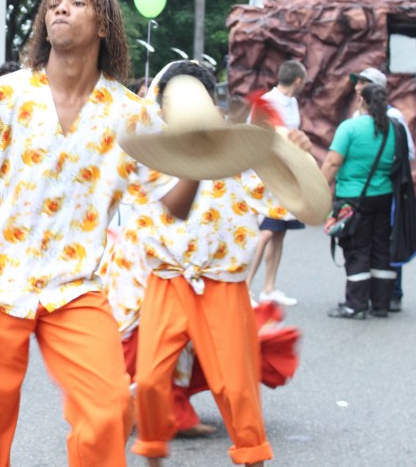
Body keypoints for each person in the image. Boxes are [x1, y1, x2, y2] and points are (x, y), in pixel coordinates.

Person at [0, 0, 199, 467]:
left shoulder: (129, 115)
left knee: (111, 408)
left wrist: (200, 165)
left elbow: (173, 203)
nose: (60, 9)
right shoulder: (6, 97)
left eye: (76, 1)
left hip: (75, 287)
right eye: (53, 3)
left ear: (104, 26)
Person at [129, 61, 308, 467]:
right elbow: (155, 212)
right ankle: (153, 458)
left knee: (236, 388)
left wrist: (298, 157)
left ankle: (251, 459)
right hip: (168, 278)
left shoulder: (240, 152)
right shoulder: (151, 149)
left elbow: (288, 197)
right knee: (153, 382)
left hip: (221, 282)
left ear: (211, 103)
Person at [321, 82, 397, 319]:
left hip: (353, 197)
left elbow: (333, 162)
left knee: (357, 249)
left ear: (361, 101)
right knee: (381, 248)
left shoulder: (350, 128)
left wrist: (319, 188)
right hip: (384, 195)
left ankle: (355, 304)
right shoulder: (393, 128)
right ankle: (381, 303)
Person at [350, 67, 414, 311]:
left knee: (388, 240)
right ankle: (370, 296)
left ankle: (392, 293)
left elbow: (409, 151)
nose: (357, 87)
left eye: (363, 83)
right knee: (364, 243)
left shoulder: (394, 116)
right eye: (357, 83)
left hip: (387, 189)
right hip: (363, 190)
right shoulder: (357, 117)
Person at [245, 59, 306, 306]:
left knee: (280, 232)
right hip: (267, 175)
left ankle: (269, 287)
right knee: (267, 231)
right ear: (298, 80)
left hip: (287, 173)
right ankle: (246, 285)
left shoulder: (293, 103)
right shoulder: (268, 102)